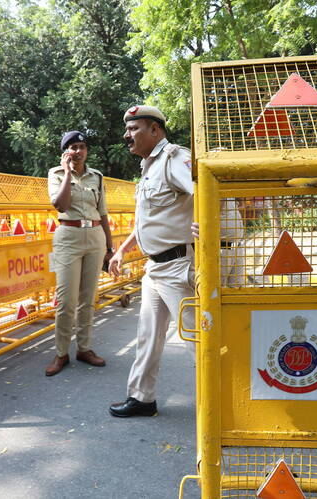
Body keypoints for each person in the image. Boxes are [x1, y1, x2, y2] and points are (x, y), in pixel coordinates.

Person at [107, 105, 195, 418]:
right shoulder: (148, 166)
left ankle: (226, 403)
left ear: (155, 130)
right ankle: (142, 398)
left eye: (134, 129)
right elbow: (145, 222)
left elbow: (204, 191)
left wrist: (209, 228)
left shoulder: (173, 158)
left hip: (177, 266)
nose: (126, 135)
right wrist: (121, 251)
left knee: (196, 338)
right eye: (127, 130)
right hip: (155, 269)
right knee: (148, 336)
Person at [46, 130, 114, 376]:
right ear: (65, 152)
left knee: (88, 298)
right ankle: (61, 352)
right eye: (72, 147)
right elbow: (60, 205)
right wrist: (66, 173)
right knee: (66, 300)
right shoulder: (55, 174)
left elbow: (103, 212)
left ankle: (84, 348)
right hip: (68, 236)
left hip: (95, 237)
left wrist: (110, 247)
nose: (78, 151)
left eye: (82, 146)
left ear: (87, 150)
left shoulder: (97, 176)